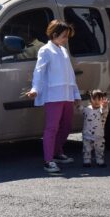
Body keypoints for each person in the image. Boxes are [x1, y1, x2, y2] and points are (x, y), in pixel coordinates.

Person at [27, 20, 81, 173]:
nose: (66, 39)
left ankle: (57, 152)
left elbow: (70, 75)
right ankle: (48, 160)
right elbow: (39, 71)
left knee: (66, 126)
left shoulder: (63, 51)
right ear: (55, 35)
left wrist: (76, 94)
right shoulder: (45, 50)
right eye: (64, 36)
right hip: (53, 96)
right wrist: (35, 89)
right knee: (52, 128)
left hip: (66, 95)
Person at [82, 90, 109, 168]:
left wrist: (104, 105)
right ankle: (86, 160)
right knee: (86, 148)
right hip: (87, 134)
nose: (97, 101)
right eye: (95, 99)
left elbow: (104, 110)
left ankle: (100, 160)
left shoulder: (101, 110)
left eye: (100, 99)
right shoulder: (87, 109)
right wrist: (77, 104)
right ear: (91, 99)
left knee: (99, 149)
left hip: (99, 135)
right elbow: (80, 109)